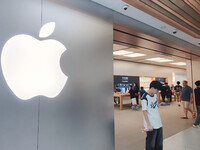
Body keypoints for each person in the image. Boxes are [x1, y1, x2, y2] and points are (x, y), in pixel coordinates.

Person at [142, 81, 163, 150]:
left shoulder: (155, 95)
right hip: (151, 124)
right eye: (157, 90)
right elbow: (144, 111)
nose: (157, 91)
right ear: (152, 88)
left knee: (159, 143)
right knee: (151, 144)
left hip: (158, 122)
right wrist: (148, 125)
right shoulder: (145, 97)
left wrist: (159, 105)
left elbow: (154, 105)